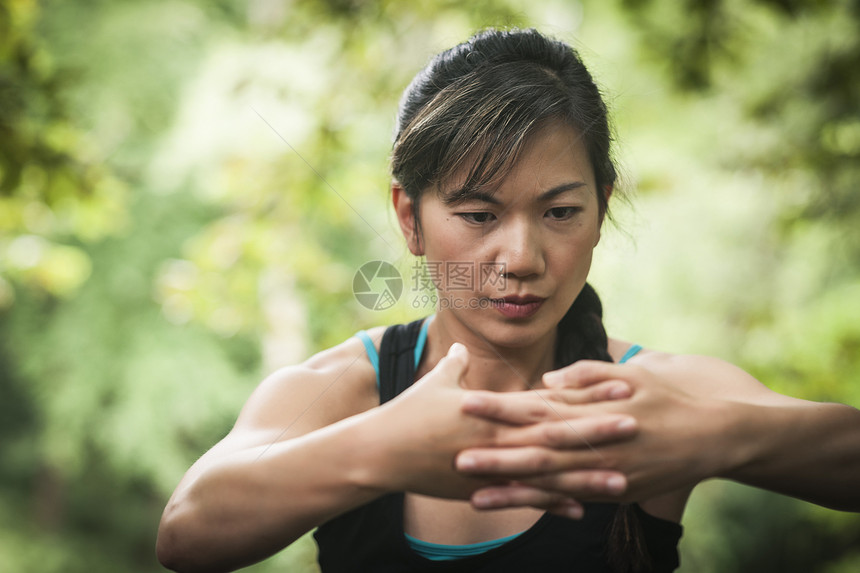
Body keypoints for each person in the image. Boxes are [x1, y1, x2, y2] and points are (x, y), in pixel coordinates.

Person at [156, 28, 860, 573]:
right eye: (478, 214)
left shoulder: (655, 398)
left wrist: (716, 436)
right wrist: (387, 448)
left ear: (601, 207)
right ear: (408, 217)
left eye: (559, 212)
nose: (521, 258)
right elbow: (187, 532)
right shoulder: (346, 391)